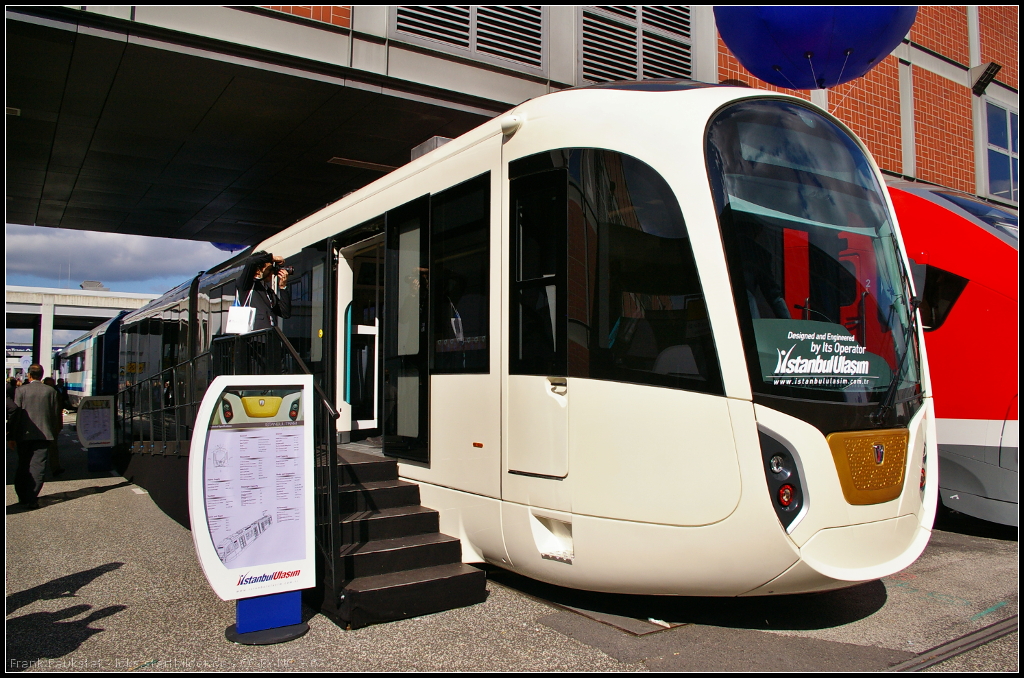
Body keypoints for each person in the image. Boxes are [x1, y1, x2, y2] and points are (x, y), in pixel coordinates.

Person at [13, 364, 63, 509]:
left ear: (29, 375)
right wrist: (54, 430)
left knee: (23, 465)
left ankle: (22, 496)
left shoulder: (20, 390)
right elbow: (55, 413)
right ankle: (32, 496)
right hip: (44, 434)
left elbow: (16, 414)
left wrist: (12, 435)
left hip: (24, 435)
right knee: (38, 466)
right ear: (41, 375)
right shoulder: (50, 391)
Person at [237, 251, 292, 330]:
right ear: (257, 270)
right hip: (254, 338)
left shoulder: (268, 291)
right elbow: (251, 261)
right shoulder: (246, 284)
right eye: (269, 269)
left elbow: (285, 313)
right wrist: (273, 258)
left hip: (270, 337)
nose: (271, 272)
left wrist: (283, 287)